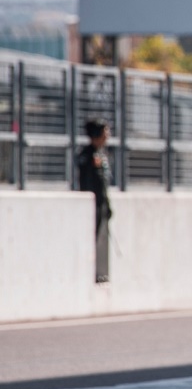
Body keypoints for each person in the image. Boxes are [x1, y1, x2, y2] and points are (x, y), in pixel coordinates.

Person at [75, 119, 113, 283]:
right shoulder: (87, 155)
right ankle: (88, 272)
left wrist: (107, 204)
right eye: (105, 132)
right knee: (89, 240)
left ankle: (98, 272)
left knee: (98, 240)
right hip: (91, 206)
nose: (108, 135)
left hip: (101, 204)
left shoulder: (100, 154)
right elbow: (88, 183)